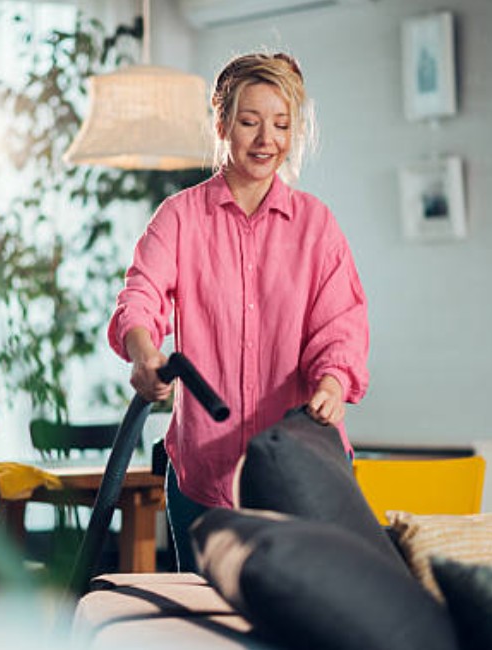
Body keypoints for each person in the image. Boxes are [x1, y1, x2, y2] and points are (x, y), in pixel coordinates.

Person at [106, 51, 370, 572]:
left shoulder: (317, 227)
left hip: (300, 472)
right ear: (222, 123)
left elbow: (340, 324)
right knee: (204, 627)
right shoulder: (180, 218)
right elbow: (141, 295)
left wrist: (333, 385)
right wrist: (144, 353)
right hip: (206, 475)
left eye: (280, 125)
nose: (265, 139)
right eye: (249, 122)